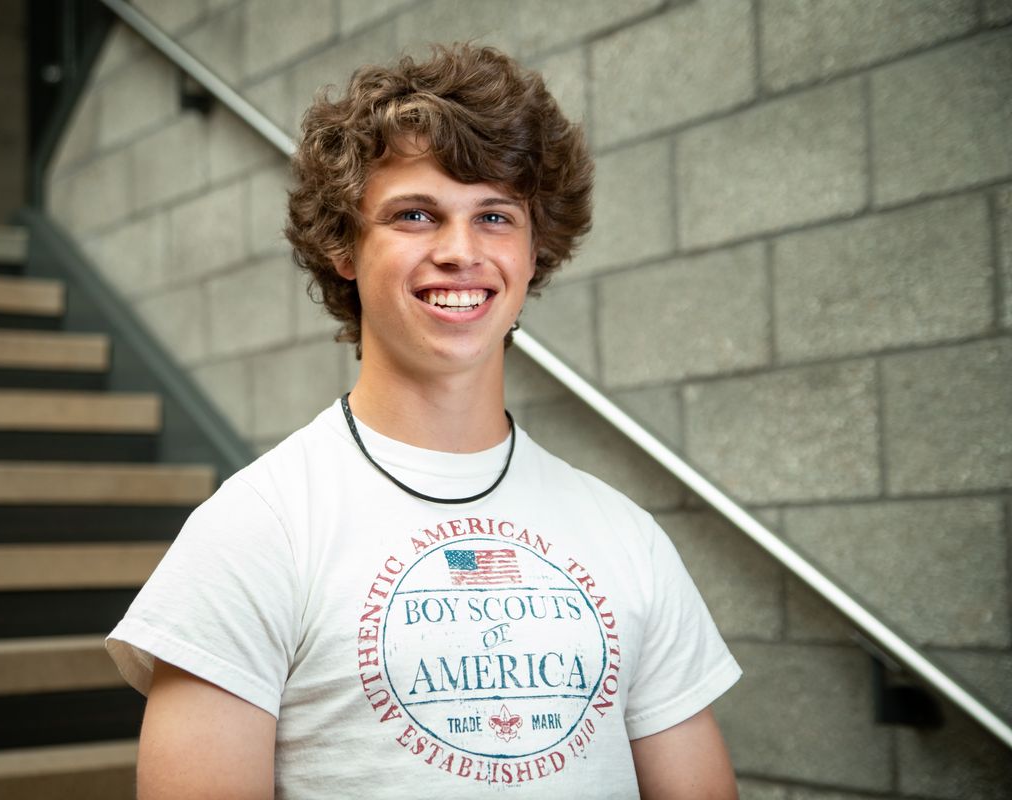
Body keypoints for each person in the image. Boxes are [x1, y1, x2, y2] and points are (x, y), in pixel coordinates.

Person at [107, 44, 741, 799]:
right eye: (416, 214)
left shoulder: (626, 537)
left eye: (495, 217)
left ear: (535, 252)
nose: (460, 252)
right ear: (343, 245)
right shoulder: (257, 529)